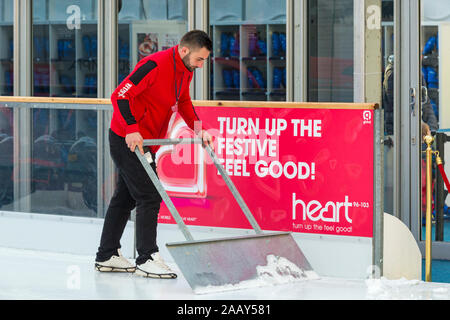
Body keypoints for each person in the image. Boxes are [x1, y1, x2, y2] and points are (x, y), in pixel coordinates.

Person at [95, 30, 213, 278]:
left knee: (125, 198)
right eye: (199, 59)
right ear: (184, 50)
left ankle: (107, 255)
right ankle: (147, 256)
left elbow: (183, 103)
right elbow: (120, 95)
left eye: (204, 60)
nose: (201, 65)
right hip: (127, 139)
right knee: (150, 195)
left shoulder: (185, 72)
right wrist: (131, 128)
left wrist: (199, 130)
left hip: (146, 142)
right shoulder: (153, 64)